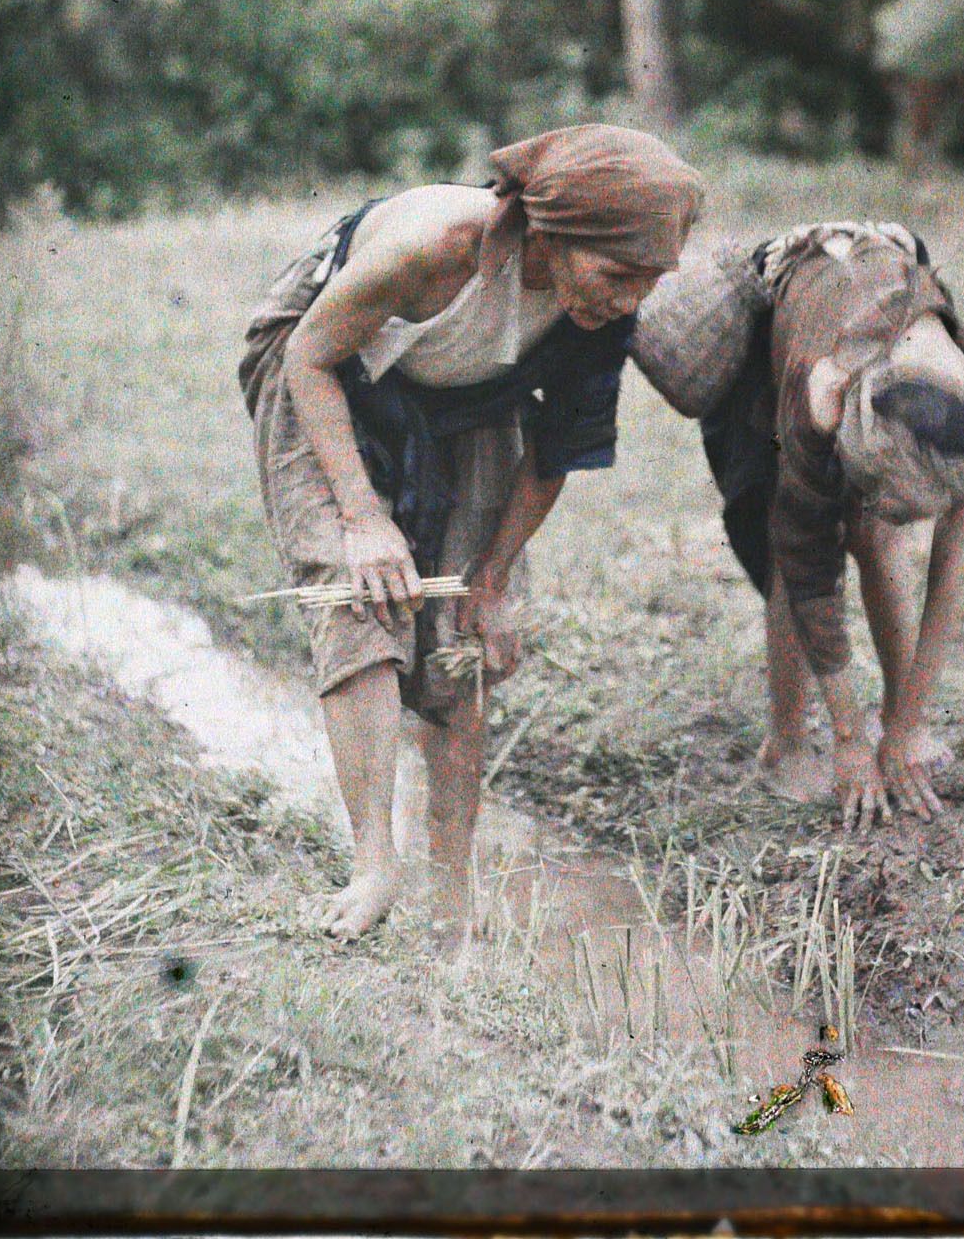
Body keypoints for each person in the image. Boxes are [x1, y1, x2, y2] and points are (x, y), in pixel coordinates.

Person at [239, 126, 703, 937]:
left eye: (648, 281)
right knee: (363, 595)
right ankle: (374, 865)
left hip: (468, 395)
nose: (629, 298)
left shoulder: (603, 312)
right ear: (555, 234)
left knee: (461, 638)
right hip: (324, 370)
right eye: (618, 274)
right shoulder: (435, 246)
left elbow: (554, 453)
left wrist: (490, 578)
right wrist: (361, 515)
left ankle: (452, 887)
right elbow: (310, 355)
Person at [645, 221, 964, 834]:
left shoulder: (959, 409)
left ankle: (899, 722)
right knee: (803, 554)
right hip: (783, 332)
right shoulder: (821, 388)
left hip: (870, 303)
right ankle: (785, 742)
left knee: (879, 538)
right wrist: (848, 738)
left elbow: (949, 566)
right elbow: (811, 570)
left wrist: (908, 727)